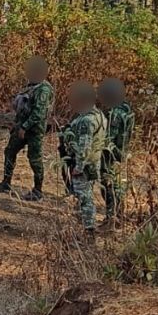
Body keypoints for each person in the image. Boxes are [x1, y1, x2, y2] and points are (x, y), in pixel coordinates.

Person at [0, 57, 54, 201]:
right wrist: (16, 125)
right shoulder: (31, 86)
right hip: (21, 126)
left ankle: (37, 191)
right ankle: (5, 183)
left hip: (34, 131)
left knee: (35, 159)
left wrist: (24, 127)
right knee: (10, 151)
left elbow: (39, 113)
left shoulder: (44, 89)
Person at [61, 81, 106, 232]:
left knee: (84, 196)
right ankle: (84, 224)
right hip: (93, 161)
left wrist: (79, 166)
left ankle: (88, 227)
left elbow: (85, 145)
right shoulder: (99, 115)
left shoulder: (87, 120)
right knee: (85, 194)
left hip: (85, 164)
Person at [98, 77, 135, 224]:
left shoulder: (115, 112)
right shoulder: (125, 108)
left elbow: (109, 137)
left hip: (110, 153)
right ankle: (117, 214)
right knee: (115, 184)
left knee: (108, 184)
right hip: (119, 152)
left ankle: (112, 217)